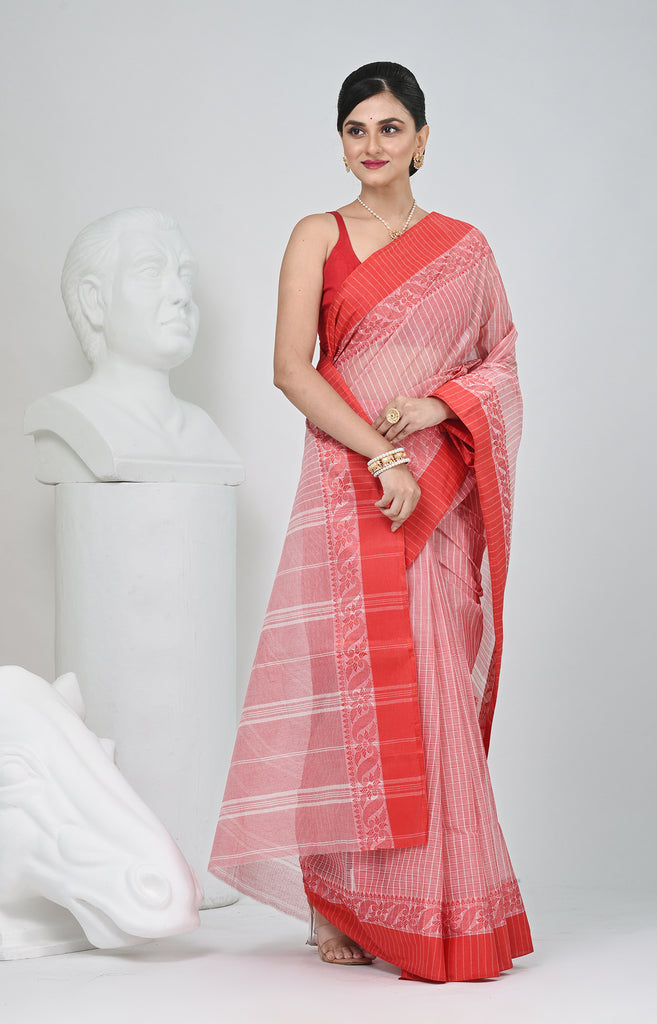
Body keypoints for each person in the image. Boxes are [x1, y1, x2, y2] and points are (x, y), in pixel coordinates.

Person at [209, 61, 533, 982]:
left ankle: (435, 901)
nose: (372, 144)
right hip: (351, 481)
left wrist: (437, 408)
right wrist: (381, 455)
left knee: (432, 686)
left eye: (391, 128)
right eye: (356, 128)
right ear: (341, 142)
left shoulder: (466, 249)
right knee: (352, 683)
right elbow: (293, 369)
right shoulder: (317, 235)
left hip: (440, 492)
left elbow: (500, 364)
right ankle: (334, 897)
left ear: (422, 140)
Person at [25, 207, 243, 485]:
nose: (182, 294)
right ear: (94, 300)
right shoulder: (66, 415)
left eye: (186, 276)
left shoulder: (205, 432)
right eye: (151, 271)